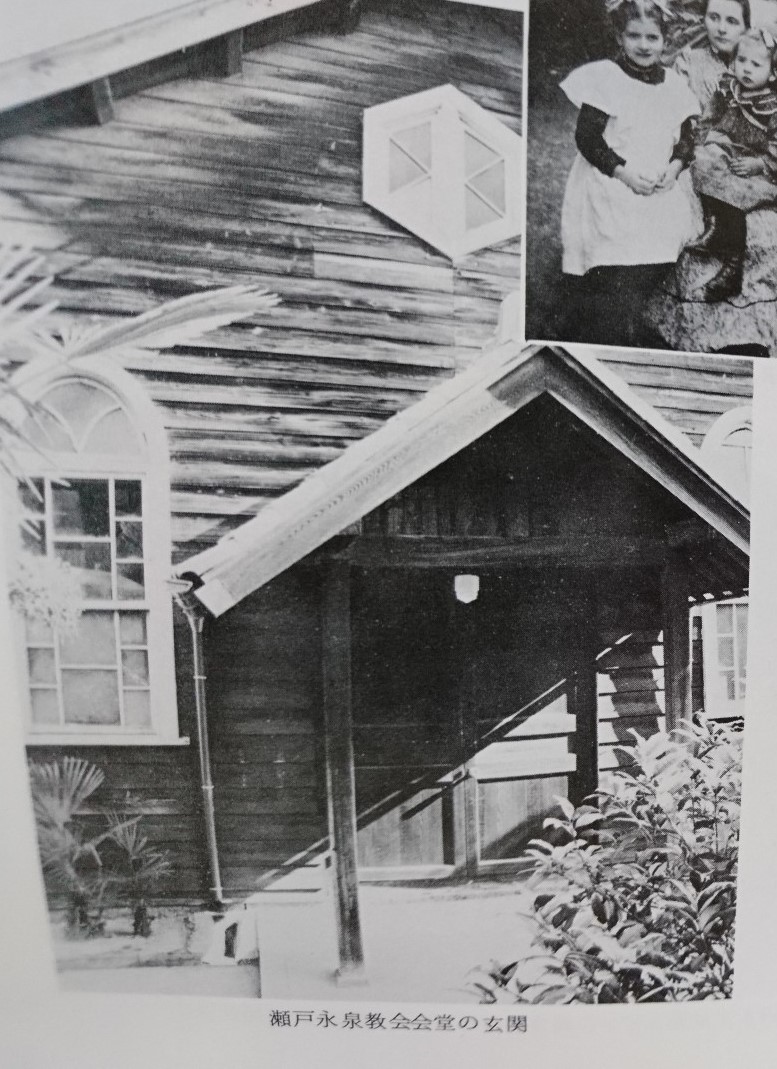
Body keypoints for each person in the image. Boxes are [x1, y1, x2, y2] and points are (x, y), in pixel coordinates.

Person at [559, 0, 701, 346]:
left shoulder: (673, 85)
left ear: (665, 39)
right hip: (613, 177)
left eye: (652, 37)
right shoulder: (605, 78)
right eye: (634, 36)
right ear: (619, 37)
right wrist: (623, 173)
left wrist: (675, 167)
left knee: (662, 241)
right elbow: (588, 139)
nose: (643, 45)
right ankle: (603, 318)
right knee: (615, 249)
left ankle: (631, 309)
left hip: (657, 184)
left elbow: (687, 138)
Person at [689, 27, 777, 300]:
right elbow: (709, 118)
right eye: (742, 60)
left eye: (756, 64)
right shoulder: (728, 88)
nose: (746, 68)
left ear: (772, 73)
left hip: (759, 168)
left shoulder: (772, 104)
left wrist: (760, 163)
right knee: (704, 161)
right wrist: (701, 142)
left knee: (737, 187)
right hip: (730, 151)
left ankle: (733, 268)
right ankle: (715, 225)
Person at [674, 0, 751, 110]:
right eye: (714, 18)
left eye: (731, 21)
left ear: (746, 28)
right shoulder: (688, 62)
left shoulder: (755, 69)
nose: (721, 29)